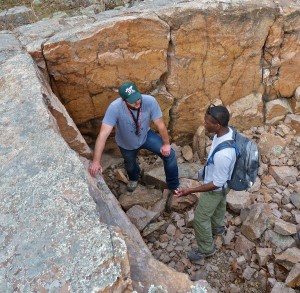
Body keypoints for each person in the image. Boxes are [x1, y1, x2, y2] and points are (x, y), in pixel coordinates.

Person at [89, 81, 179, 193]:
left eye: (138, 98)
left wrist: (166, 144)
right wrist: (96, 161)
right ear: (124, 100)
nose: (137, 103)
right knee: (130, 166)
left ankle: (173, 185)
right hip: (126, 143)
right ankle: (134, 178)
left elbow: (160, 125)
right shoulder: (114, 108)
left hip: (146, 136)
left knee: (170, 154)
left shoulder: (149, 101)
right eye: (132, 101)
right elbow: (103, 135)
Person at [174, 104, 236, 264]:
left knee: (201, 219)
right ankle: (218, 229)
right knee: (220, 205)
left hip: (216, 187)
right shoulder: (228, 133)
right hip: (226, 182)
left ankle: (206, 249)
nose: (204, 124)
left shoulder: (224, 155)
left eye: (207, 122)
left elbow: (216, 184)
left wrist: (191, 190)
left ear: (217, 125)